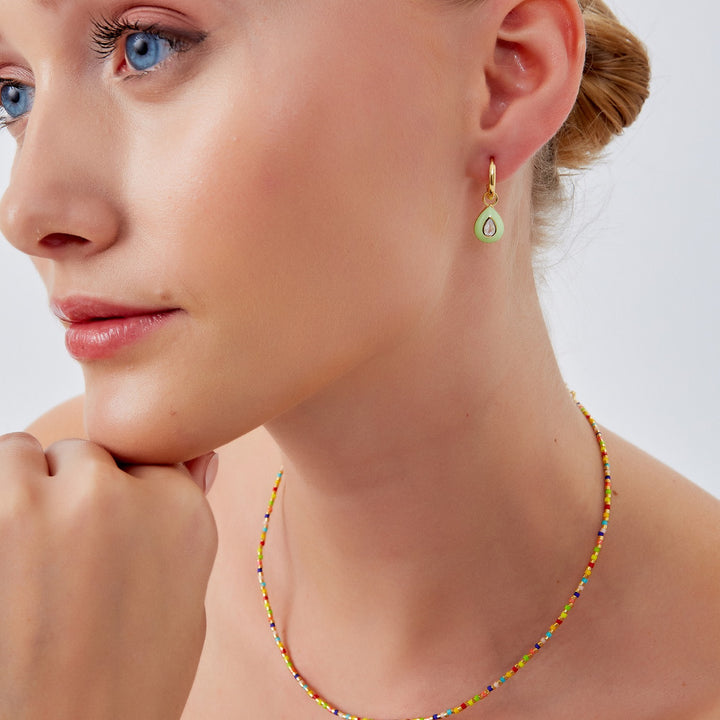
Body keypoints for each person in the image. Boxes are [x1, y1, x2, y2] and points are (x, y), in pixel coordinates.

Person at [0, 0, 718, 718]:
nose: (26, 211)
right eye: (15, 94)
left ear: (503, 78)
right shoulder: (46, 550)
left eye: (146, 45)